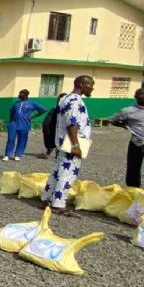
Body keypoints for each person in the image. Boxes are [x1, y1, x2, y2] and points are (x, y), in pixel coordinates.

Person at [42, 76, 94, 217]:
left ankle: (47, 200)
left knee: (57, 172)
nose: (92, 88)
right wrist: (76, 145)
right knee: (67, 173)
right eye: (90, 85)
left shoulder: (65, 99)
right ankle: (58, 205)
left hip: (62, 142)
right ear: (82, 84)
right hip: (71, 144)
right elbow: (72, 124)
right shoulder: (75, 101)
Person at [108, 87, 144, 200]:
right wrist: (126, 126)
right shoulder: (127, 110)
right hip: (138, 142)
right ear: (135, 97)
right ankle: (134, 192)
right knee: (133, 168)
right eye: (142, 94)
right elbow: (112, 120)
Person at [3, 89, 46, 161]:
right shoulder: (16, 103)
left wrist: (32, 117)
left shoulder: (32, 103)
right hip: (13, 124)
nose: (19, 95)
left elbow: (43, 110)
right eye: (19, 93)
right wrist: (11, 122)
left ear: (25, 95)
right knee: (10, 139)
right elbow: (11, 112)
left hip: (24, 124)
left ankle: (18, 155)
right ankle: (7, 155)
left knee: (22, 140)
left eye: (21, 93)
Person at [40, 93, 66, 159]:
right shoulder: (54, 110)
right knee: (52, 138)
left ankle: (56, 153)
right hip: (54, 127)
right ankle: (50, 151)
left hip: (61, 128)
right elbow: (47, 121)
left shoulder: (66, 110)